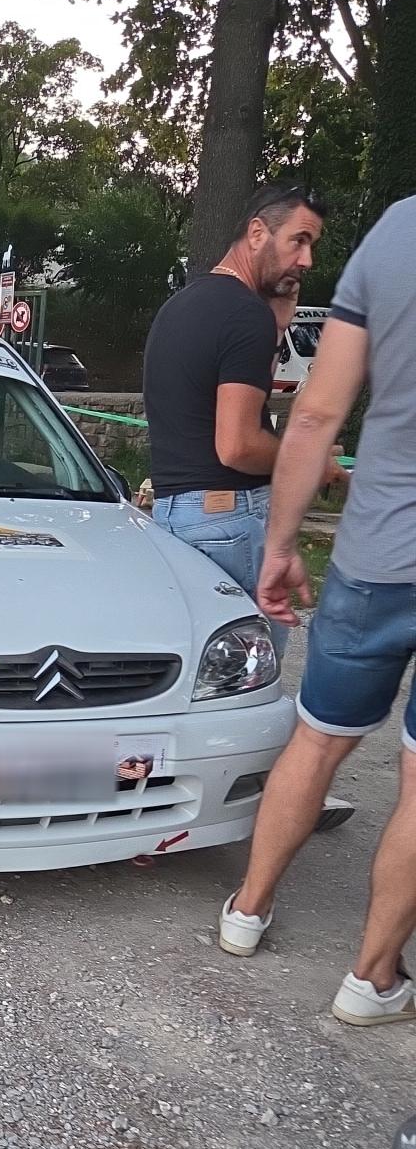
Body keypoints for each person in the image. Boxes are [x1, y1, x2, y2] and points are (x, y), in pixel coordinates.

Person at [217, 195, 416, 1027]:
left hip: (375, 556)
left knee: (320, 734)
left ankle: (247, 911)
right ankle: (372, 981)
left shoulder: (399, 231)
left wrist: (280, 545)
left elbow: (317, 417)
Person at [143, 180, 352, 831]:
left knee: (197, 669)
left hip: (178, 514)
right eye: (300, 241)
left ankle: (179, 798)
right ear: (257, 233)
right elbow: (236, 443)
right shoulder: (242, 315)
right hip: (229, 515)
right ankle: (279, 796)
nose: (306, 261)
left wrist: (277, 324)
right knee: (253, 671)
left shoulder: (182, 306)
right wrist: (310, 460)